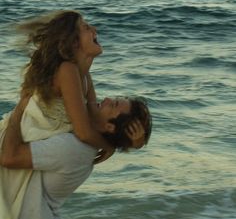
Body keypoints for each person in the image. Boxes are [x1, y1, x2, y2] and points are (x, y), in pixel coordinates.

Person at [0, 10, 152, 218]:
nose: (94, 29)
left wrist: (122, 144)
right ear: (73, 43)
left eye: (114, 104)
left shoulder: (77, 74)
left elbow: (87, 120)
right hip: (17, 132)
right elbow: (85, 126)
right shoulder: (69, 71)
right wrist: (112, 145)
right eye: (86, 27)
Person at [1, 94, 152, 219]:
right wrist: (115, 144)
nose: (106, 99)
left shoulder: (75, 148)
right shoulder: (81, 136)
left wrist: (20, 108)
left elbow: (10, 157)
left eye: (113, 105)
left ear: (110, 127)